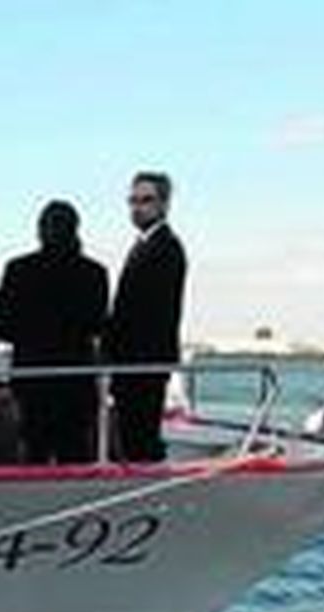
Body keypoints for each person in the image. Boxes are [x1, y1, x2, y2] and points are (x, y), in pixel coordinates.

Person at [0, 200, 110, 465]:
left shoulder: (19, 270)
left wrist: (26, 336)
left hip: (32, 378)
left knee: (33, 455)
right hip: (76, 380)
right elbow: (98, 324)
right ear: (75, 230)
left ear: (40, 231)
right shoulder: (94, 273)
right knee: (76, 457)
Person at [105, 171, 187, 462]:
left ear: (164, 204)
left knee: (140, 438)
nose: (137, 207)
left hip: (144, 360)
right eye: (133, 201)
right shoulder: (144, 245)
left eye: (146, 200)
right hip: (134, 361)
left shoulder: (166, 247)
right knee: (132, 436)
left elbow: (149, 314)